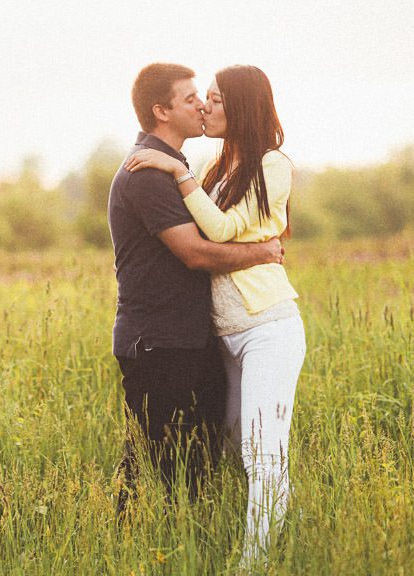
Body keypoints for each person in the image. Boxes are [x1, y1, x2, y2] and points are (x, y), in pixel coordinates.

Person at [124, 65, 306, 562]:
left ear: (243, 107)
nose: (206, 107)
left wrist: (176, 171)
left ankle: (254, 563)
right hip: (227, 334)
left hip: (267, 325)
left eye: (216, 99)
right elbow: (201, 242)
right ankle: (285, 536)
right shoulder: (218, 170)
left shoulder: (272, 163)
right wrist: (187, 176)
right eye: (201, 98)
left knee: (262, 451)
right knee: (232, 450)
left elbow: (221, 232)